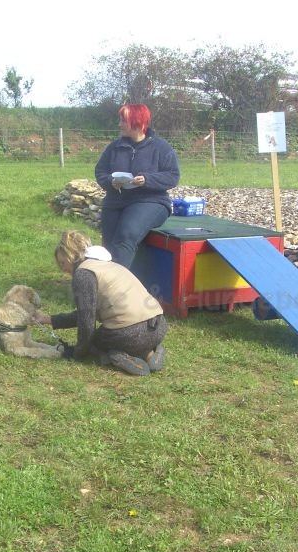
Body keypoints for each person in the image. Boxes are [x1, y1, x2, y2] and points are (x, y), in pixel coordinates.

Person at [34, 230, 168, 376]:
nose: (63, 269)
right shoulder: (108, 265)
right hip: (158, 326)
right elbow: (85, 314)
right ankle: (150, 351)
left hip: (130, 335)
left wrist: (77, 353)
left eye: (62, 263)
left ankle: (118, 355)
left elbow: (86, 322)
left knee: (94, 342)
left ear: (71, 255)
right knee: (126, 337)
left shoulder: (83, 274)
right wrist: (48, 320)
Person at [94, 104, 180, 269]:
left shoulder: (161, 147)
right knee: (108, 245)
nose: (119, 124)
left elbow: (173, 176)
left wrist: (147, 179)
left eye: (123, 120)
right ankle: (106, 279)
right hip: (115, 201)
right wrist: (111, 181)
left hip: (150, 201)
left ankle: (117, 282)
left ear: (137, 123)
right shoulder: (114, 147)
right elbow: (100, 172)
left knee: (125, 236)